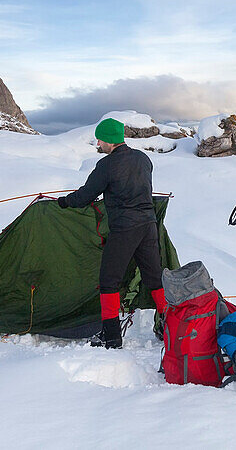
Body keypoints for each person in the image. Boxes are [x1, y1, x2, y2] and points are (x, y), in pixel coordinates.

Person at [57, 118, 166, 348]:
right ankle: (170, 327)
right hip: (148, 225)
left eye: (100, 138)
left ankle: (112, 337)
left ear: (109, 140)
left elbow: (85, 195)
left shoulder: (106, 165)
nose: (98, 143)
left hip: (124, 229)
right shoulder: (143, 159)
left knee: (108, 282)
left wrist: (64, 202)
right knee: (154, 279)